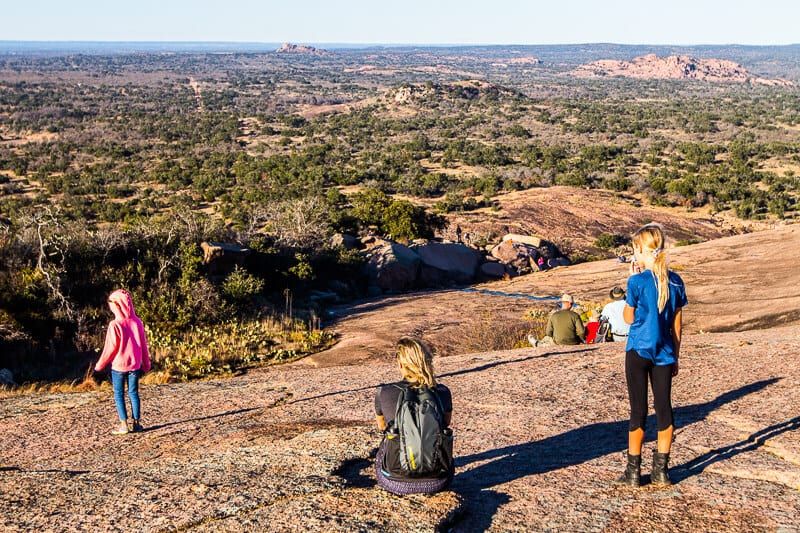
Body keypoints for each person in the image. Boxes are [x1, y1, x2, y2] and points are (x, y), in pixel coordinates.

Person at [616, 224, 687, 487]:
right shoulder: (676, 281)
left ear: (639, 250)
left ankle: (633, 472)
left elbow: (628, 318)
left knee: (638, 411)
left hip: (637, 350)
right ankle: (661, 472)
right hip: (664, 354)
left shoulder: (637, 281)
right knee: (664, 409)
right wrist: (676, 357)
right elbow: (677, 325)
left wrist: (631, 281)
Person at [374, 337, 454, 495]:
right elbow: (445, 422)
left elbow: (382, 427)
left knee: (386, 441)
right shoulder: (443, 392)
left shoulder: (385, 392)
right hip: (439, 481)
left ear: (401, 364)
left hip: (395, 483)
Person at [94, 289, 151, 435]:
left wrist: (99, 366)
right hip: (135, 366)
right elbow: (143, 345)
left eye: (110, 303)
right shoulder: (137, 322)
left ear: (117, 305)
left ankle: (124, 425)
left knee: (118, 394)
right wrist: (146, 363)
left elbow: (110, 349)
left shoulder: (115, 325)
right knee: (133, 393)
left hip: (118, 366)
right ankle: (137, 423)